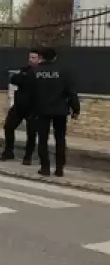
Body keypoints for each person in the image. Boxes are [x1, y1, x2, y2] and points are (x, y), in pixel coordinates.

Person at [32, 47, 80, 177]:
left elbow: (30, 93)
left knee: (42, 139)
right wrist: (75, 109)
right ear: (55, 57)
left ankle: (45, 168)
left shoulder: (35, 71)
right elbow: (71, 92)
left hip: (42, 110)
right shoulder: (63, 71)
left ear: (41, 57)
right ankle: (59, 169)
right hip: (60, 110)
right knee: (60, 139)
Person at [0, 49, 41, 165]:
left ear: (39, 59)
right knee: (8, 126)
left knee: (31, 133)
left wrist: (24, 79)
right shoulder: (24, 70)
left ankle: (28, 156)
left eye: (34, 57)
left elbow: (32, 83)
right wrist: (24, 78)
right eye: (30, 57)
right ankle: (8, 151)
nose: (31, 60)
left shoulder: (41, 73)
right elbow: (13, 79)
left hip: (33, 108)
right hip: (19, 105)